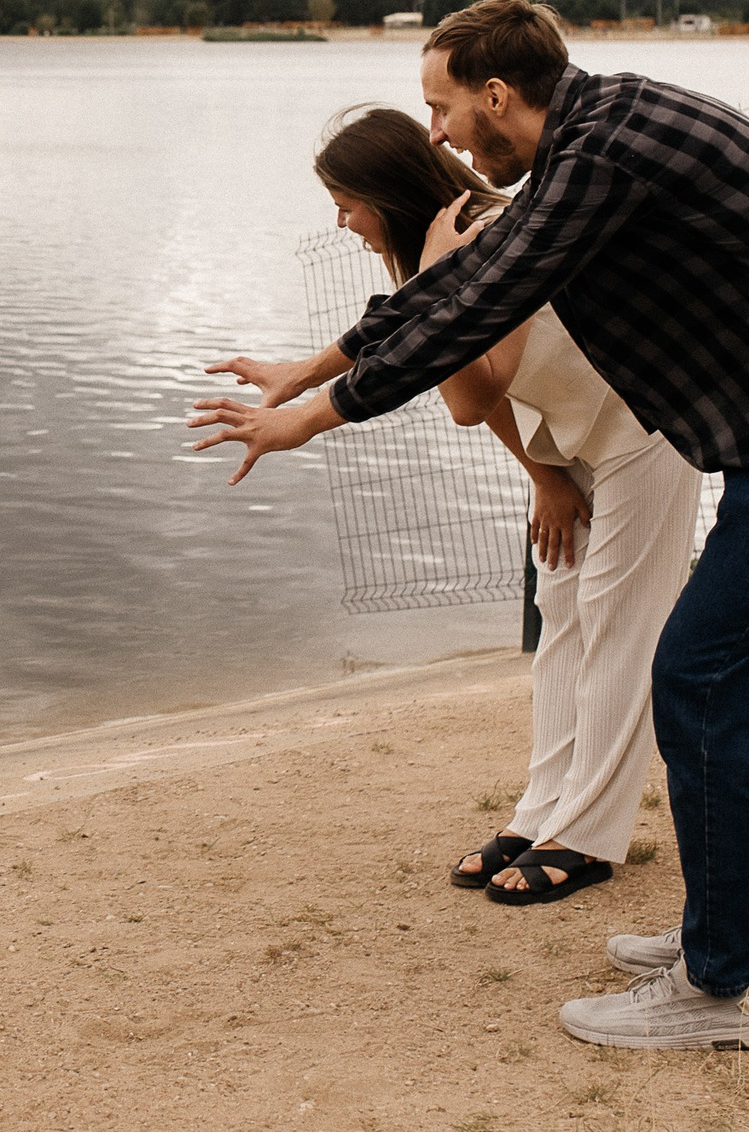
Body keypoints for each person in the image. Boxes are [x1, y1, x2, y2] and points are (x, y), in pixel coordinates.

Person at [189, 0, 749, 1049]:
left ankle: (720, 992)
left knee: (700, 677)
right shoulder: (603, 133)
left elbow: (473, 306)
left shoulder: (603, 160)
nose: (439, 136)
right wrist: (303, 372)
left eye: (443, 108)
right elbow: (449, 294)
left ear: (497, 95)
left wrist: (314, 418)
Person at [227, 107, 702, 904]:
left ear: (387, 191)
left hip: (649, 421)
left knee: (620, 620)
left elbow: (465, 394)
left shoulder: (486, 238)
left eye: (346, 202)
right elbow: (443, 364)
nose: (341, 222)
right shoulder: (436, 249)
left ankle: (586, 835)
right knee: (563, 610)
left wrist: (430, 284)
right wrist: (544, 476)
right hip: (576, 432)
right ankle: (542, 810)